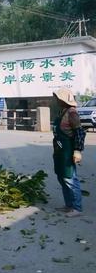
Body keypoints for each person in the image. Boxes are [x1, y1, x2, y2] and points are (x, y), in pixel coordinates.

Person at [52, 88, 85, 218]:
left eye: (58, 98)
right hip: (59, 151)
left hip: (68, 151)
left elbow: (80, 132)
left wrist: (77, 150)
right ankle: (68, 205)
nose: (57, 100)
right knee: (62, 178)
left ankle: (77, 207)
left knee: (70, 178)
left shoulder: (72, 113)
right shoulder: (62, 112)